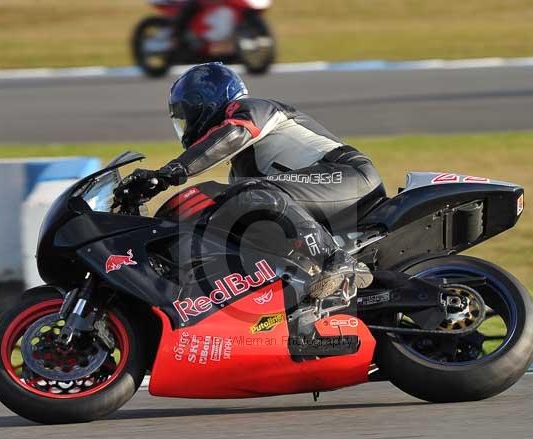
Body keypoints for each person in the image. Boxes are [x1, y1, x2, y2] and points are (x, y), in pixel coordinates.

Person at [117, 62, 385, 299]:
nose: (185, 128)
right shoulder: (239, 172)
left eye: (185, 118)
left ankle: (336, 259)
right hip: (321, 199)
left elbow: (232, 135)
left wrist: (168, 173)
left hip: (349, 175)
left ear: (205, 104)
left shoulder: (252, 109)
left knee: (248, 192)